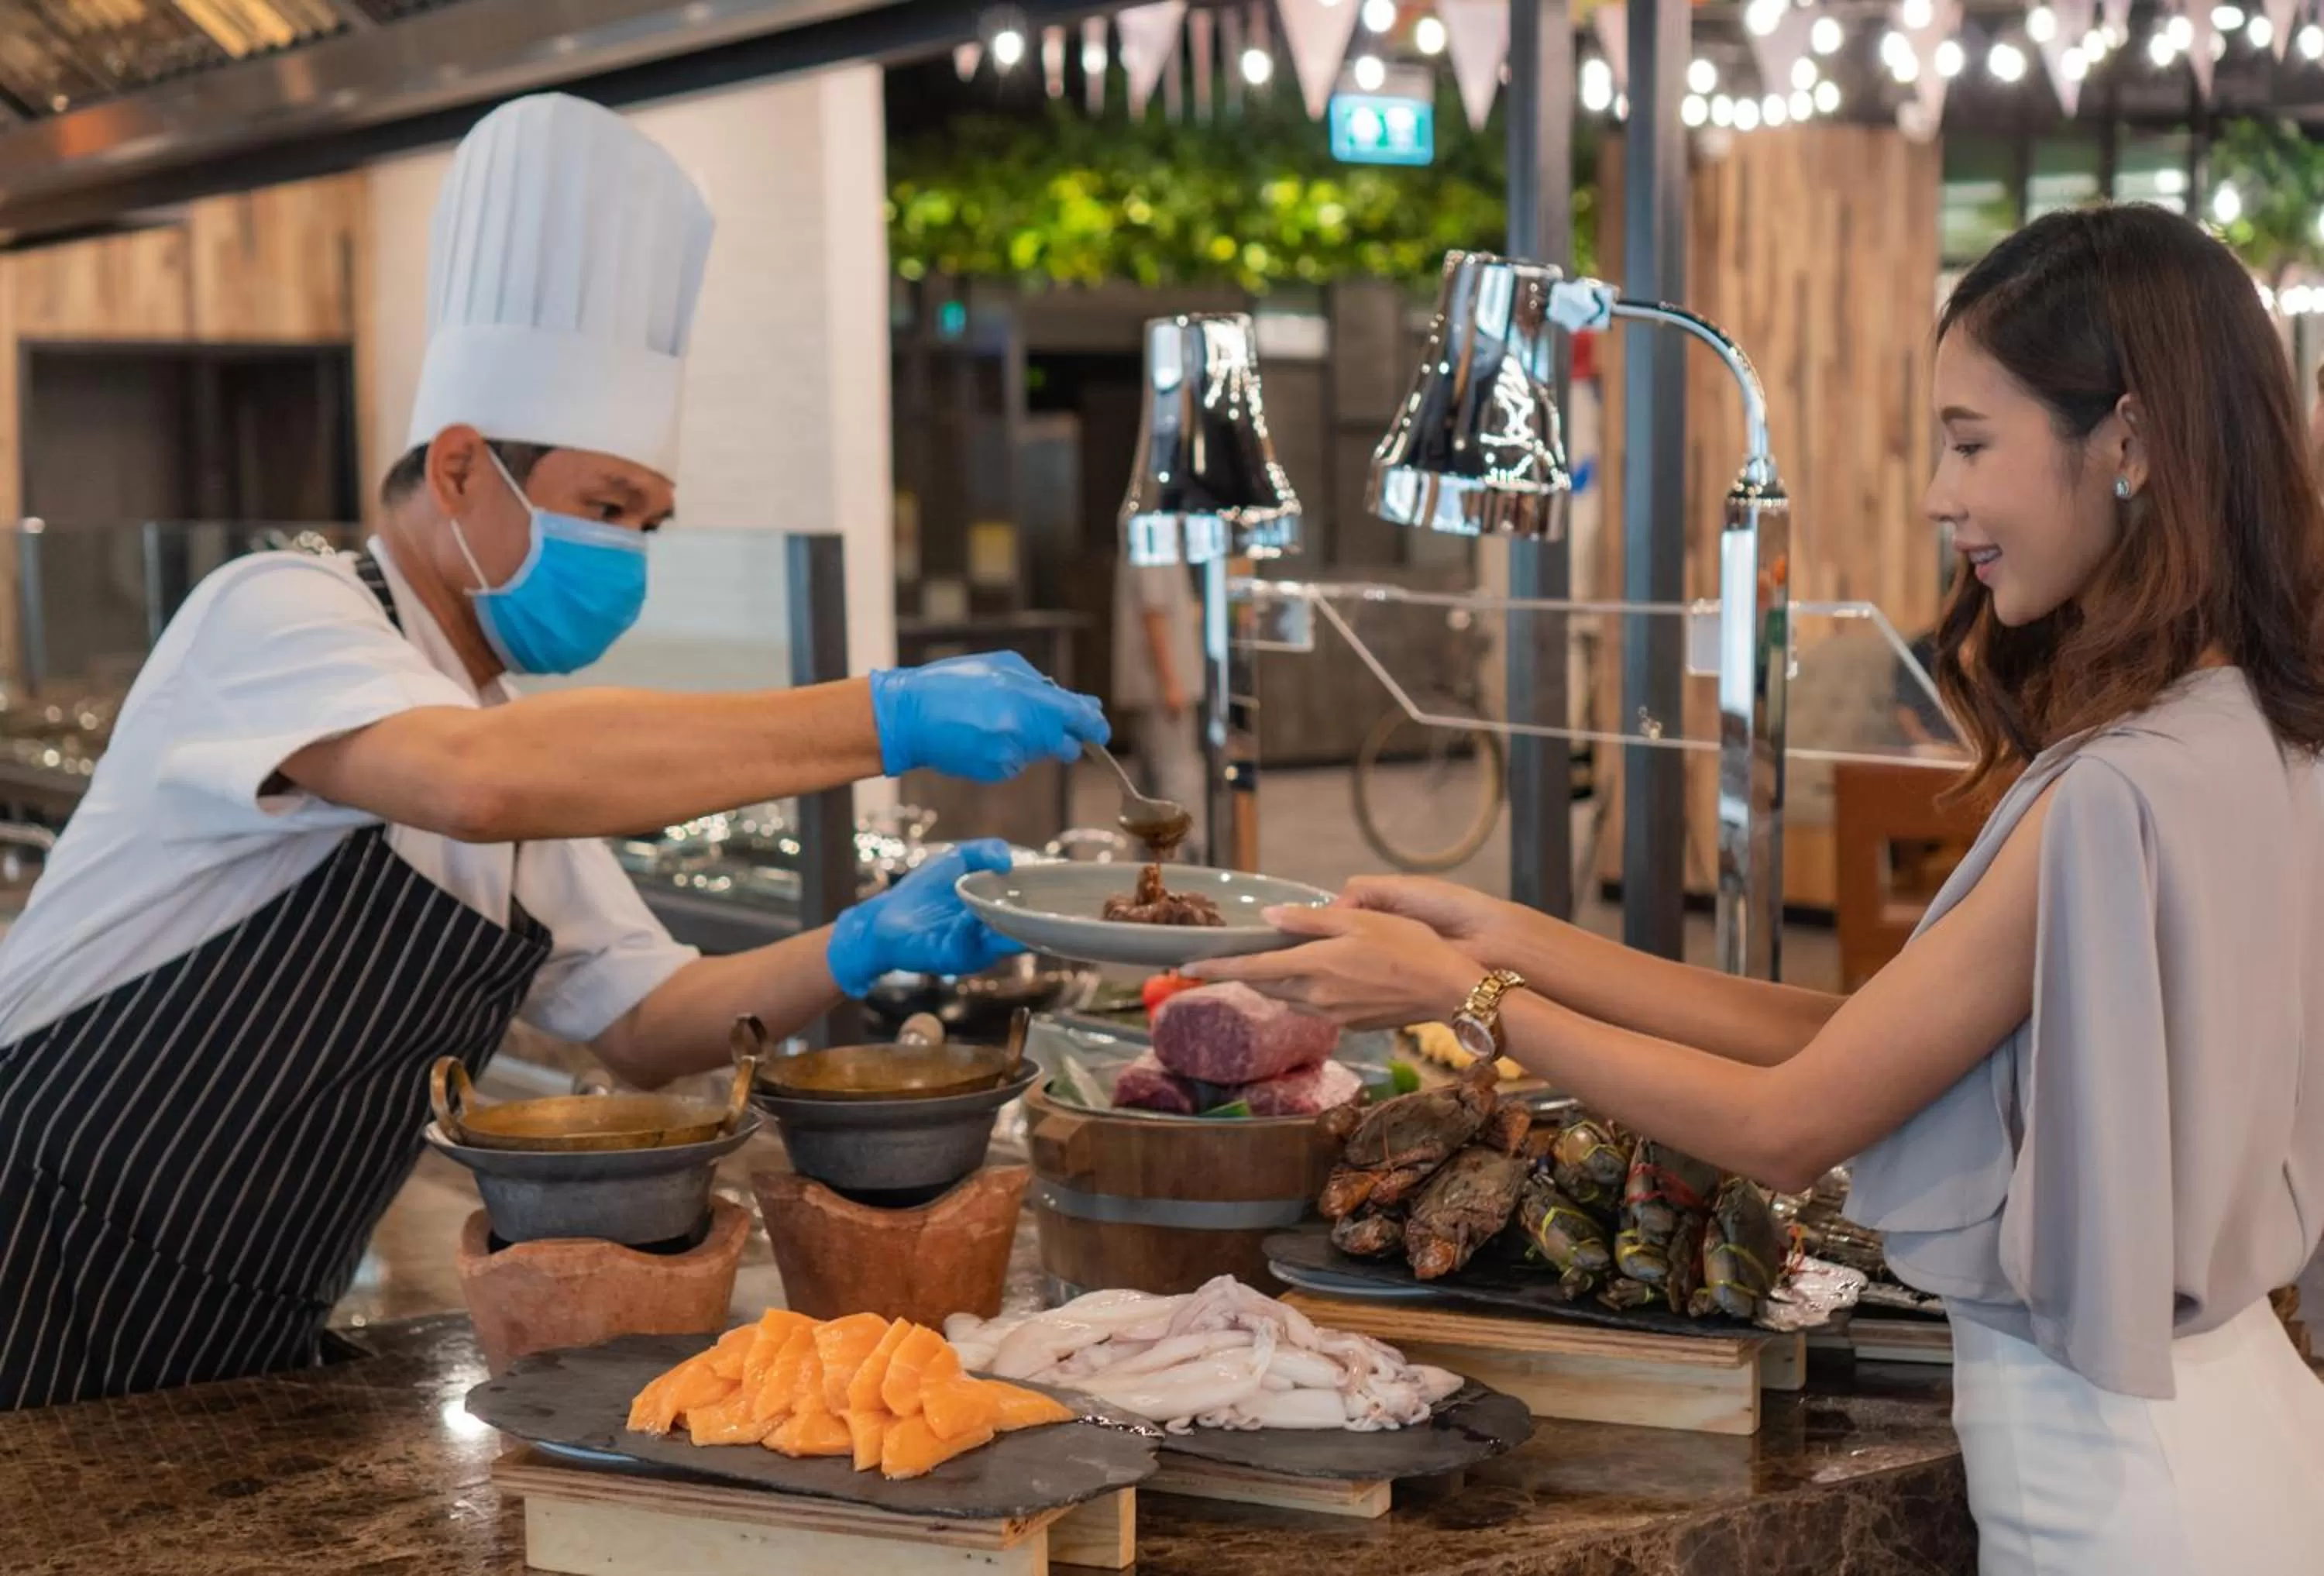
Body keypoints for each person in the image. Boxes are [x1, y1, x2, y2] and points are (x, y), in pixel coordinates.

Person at [1195, 204, 2324, 1572]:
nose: (1937, 494)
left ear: (2131, 442)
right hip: (2254, 1440)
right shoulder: (2259, 729)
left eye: (1972, 441)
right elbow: (1871, 1039)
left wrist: (1466, 992)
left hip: (2128, 1495)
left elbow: (1793, 1124)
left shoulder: (2113, 791)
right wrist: (1520, 937)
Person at [0, 95, 1107, 1410]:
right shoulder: (278, 609)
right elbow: (474, 781)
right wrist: (882, 714)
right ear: (461, 466)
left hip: (246, 1306)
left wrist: (865, 940)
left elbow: (643, 1025)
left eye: (650, 519)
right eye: (606, 507)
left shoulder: (502, 735)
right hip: (37, 1242)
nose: (629, 551)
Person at [1110, 552, 1205, 858]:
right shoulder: (1153, 538)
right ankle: (1182, 864)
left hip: (1158, 687)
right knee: (1176, 778)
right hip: (1161, 688)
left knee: (1151, 785)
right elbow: (1153, 612)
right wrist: (1171, 681)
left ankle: (1154, 866)